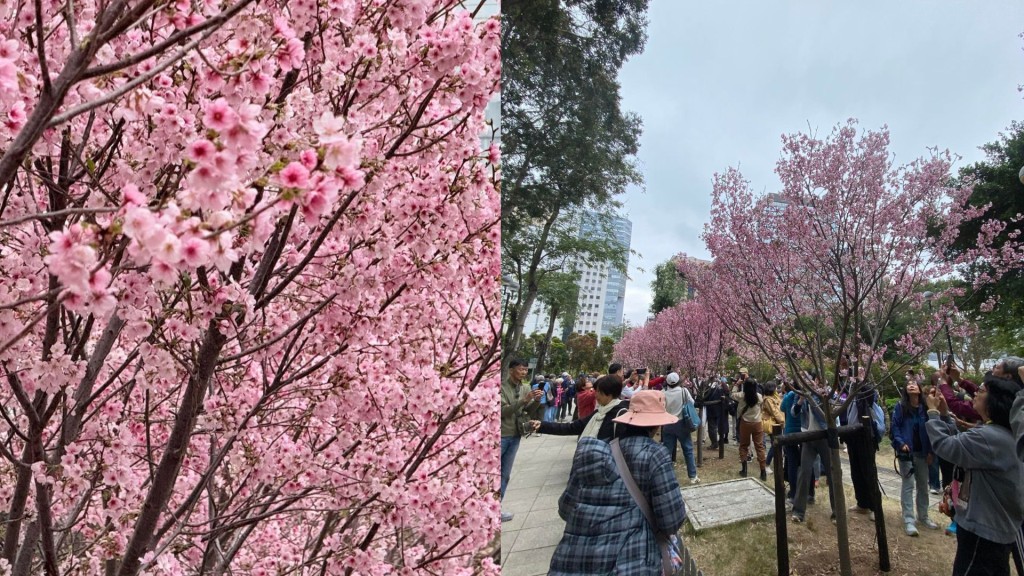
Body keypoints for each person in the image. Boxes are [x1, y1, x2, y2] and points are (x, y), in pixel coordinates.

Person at [548, 391, 686, 576]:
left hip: (573, 561)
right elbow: (671, 520)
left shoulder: (592, 453)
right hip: (630, 560)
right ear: (656, 425)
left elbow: (565, 509)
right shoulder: (655, 455)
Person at [926, 376, 1024, 576]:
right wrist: (945, 416)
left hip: (983, 532)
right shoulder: (1000, 433)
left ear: (995, 401)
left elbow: (946, 446)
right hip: (995, 528)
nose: (976, 392)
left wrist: (933, 413)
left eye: (982, 390)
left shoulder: (990, 437)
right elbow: (963, 443)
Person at [890, 376, 938, 536]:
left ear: (919, 388)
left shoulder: (925, 408)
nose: (911, 385)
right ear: (905, 390)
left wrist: (931, 451)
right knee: (908, 485)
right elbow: (895, 427)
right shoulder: (901, 407)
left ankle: (923, 516)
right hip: (906, 452)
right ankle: (909, 520)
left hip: (923, 452)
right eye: (908, 384)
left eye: (914, 383)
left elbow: (932, 429)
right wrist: (900, 443)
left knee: (923, 485)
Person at [500, 359, 544, 522]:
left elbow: (528, 411)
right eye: (521, 369)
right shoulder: (501, 388)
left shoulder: (526, 387)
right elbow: (503, 411)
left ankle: (497, 507)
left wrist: (537, 401)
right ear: (511, 370)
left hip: (515, 435)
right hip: (502, 434)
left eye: (526, 370)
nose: (524, 372)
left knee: (505, 474)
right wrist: (523, 400)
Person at [791, 373, 836, 524]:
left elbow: (825, 417)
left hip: (823, 436)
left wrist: (814, 398)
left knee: (832, 472)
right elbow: (794, 412)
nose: (817, 382)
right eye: (816, 379)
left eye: (819, 380)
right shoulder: (807, 395)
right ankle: (798, 511)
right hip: (808, 437)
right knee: (804, 472)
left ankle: (837, 511)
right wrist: (801, 400)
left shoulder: (829, 395)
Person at [531, 376, 630, 441]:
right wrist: (542, 425)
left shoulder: (621, 414)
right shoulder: (598, 413)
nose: (595, 395)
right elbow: (572, 427)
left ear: (609, 394)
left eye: (598, 392)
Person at [662, 372, 700, 484]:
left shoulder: (663, 393)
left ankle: (666, 477)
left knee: (667, 451)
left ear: (667, 382)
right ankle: (693, 476)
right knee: (688, 449)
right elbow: (692, 403)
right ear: (678, 381)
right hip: (682, 423)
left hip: (668, 423)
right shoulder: (684, 391)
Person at [779, 378, 812, 505]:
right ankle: (809, 493)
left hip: (791, 433)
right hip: (806, 432)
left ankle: (793, 494)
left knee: (792, 464)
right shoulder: (809, 396)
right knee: (806, 463)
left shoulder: (790, 395)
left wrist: (786, 393)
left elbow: (782, 408)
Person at [732, 378, 767, 480]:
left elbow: (732, 394)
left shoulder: (742, 396)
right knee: (759, 447)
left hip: (745, 423)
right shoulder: (759, 396)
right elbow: (762, 404)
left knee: (744, 446)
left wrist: (737, 384)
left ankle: (744, 470)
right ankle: (763, 472)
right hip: (757, 423)